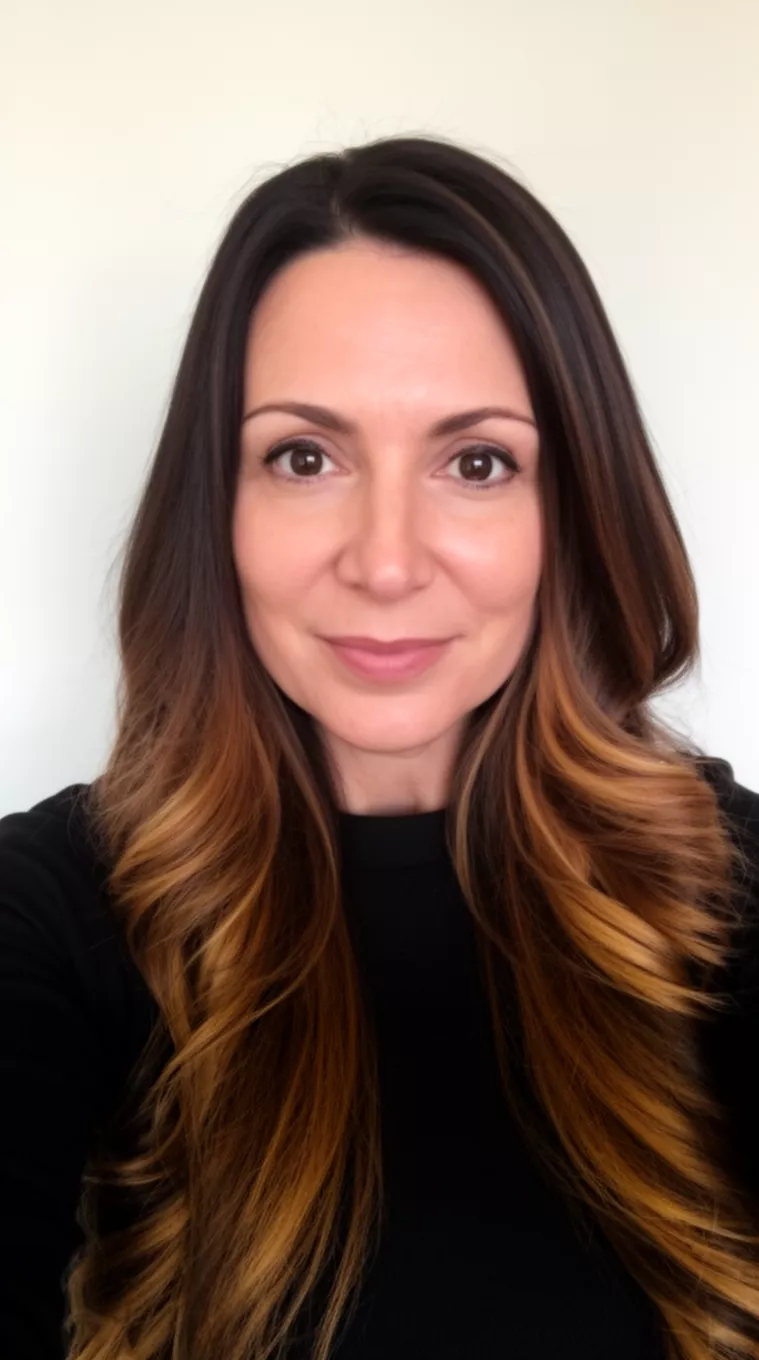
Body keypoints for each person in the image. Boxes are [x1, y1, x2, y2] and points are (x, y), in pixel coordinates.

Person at [1, 133, 758, 1360]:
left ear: (570, 513)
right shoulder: (53, 911)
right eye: (305, 457)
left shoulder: (731, 887)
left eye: (477, 462)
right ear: (218, 509)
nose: (388, 559)